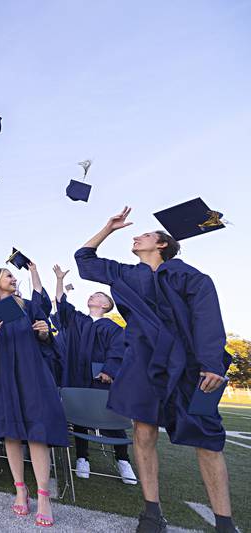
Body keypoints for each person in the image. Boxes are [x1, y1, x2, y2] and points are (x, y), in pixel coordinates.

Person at [75, 207, 236, 533]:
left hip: (192, 368)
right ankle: (151, 513)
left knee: (207, 441)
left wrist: (212, 364)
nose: (136, 236)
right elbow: (84, 259)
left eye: (144, 234)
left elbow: (207, 319)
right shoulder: (126, 275)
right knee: (143, 432)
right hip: (142, 365)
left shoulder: (189, 276)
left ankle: (224, 523)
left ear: (162, 245)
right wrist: (109, 227)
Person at [0, 264, 68, 527]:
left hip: (32, 374)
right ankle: (21, 489)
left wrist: (45, 334)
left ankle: (44, 497)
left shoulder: (26, 306)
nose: (14, 279)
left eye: (13, 276)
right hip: (2, 377)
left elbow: (46, 332)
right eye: (8, 275)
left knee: (38, 433)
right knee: (11, 434)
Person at [52, 264, 137, 484]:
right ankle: (82, 458)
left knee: (110, 416)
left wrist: (110, 370)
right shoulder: (78, 320)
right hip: (76, 376)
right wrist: (60, 279)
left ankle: (123, 460)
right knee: (80, 416)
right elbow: (61, 304)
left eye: (98, 295)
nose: (92, 295)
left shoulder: (112, 328)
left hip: (101, 379)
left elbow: (118, 350)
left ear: (106, 305)